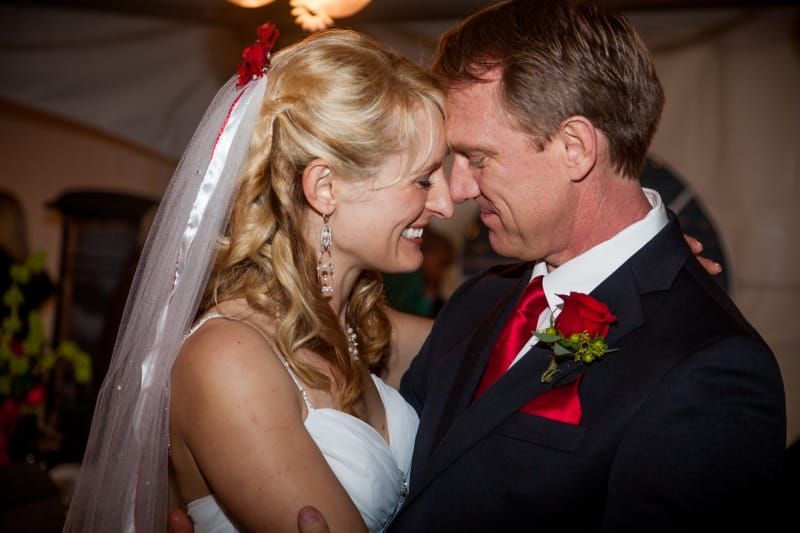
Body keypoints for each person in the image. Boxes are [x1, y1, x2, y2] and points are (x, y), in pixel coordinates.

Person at [285, 1, 785, 531]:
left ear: (575, 148)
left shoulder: (709, 366)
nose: (458, 190)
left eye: (478, 158)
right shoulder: (481, 298)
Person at [64, 27, 451, 532]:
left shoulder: (365, 328)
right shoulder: (227, 357)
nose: (446, 202)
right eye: (423, 179)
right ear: (325, 188)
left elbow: (498, 344)